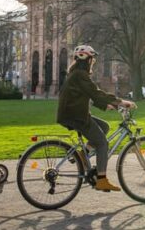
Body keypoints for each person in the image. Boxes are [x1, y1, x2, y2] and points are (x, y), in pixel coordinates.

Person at [57, 45, 135, 192]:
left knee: (104, 127)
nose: (93, 62)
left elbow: (90, 95)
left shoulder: (77, 74)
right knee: (102, 143)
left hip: (75, 113)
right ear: (86, 59)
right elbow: (96, 93)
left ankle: (82, 154)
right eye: (92, 59)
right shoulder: (80, 75)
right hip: (75, 116)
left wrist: (106, 106)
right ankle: (101, 179)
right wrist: (120, 102)